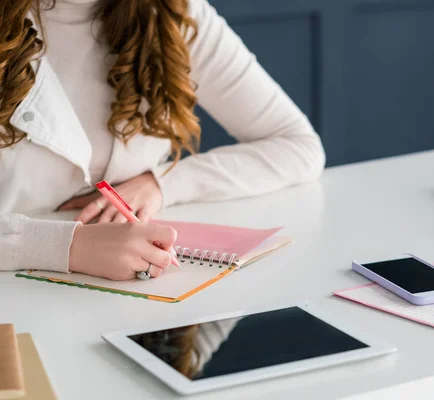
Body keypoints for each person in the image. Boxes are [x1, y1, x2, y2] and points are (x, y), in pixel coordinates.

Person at [0, 0, 325, 281]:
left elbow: (297, 146)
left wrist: (160, 185)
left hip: (126, 300)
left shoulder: (174, 12)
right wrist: (68, 247)